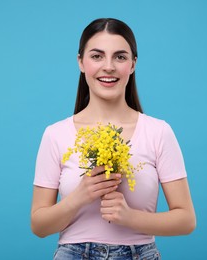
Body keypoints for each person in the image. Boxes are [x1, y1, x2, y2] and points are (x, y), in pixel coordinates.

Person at [31, 18, 196, 260]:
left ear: (132, 64)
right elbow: (39, 226)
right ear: (81, 62)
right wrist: (79, 197)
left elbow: (186, 219)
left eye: (120, 57)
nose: (108, 66)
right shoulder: (55, 134)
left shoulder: (158, 131)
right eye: (97, 56)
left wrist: (130, 218)